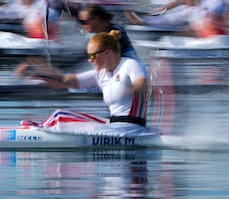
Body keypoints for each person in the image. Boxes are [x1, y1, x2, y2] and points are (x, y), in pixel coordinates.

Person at [16, 30, 149, 136]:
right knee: (61, 116)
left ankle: (35, 132)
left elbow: (141, 84)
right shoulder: (101, 74)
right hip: (114, 126)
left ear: (107, 53)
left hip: (132, 129)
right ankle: (38, 129)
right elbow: (64, 81)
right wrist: (36, 75)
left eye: (92, 56)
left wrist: (132, 90)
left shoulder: (130, 65)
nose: (89, 60)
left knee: (60, 115)